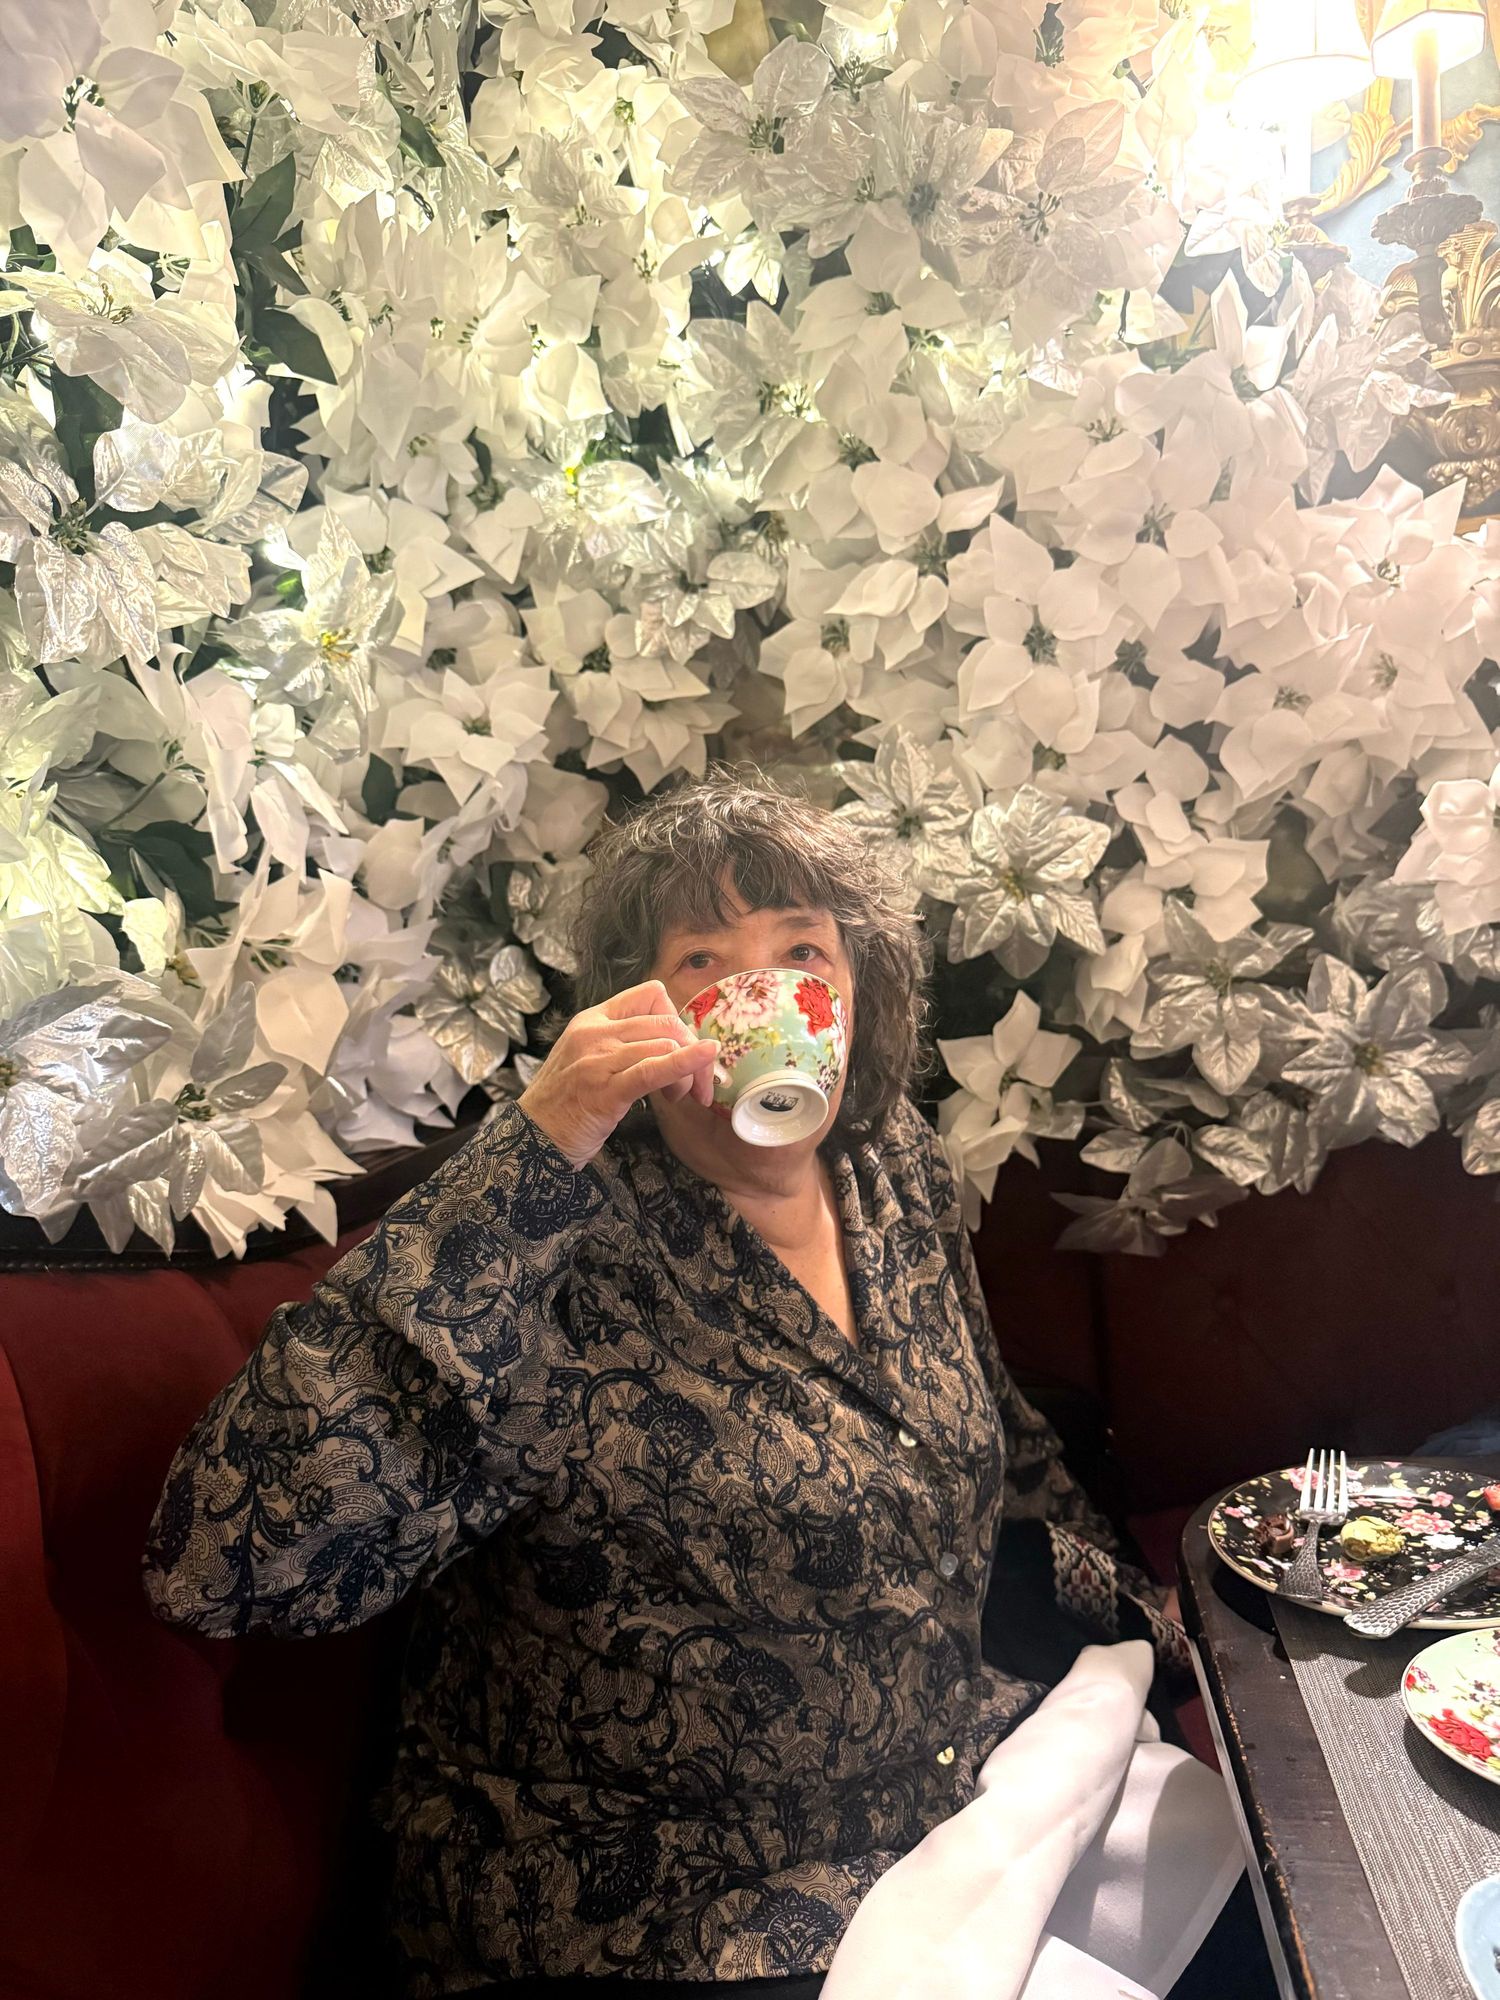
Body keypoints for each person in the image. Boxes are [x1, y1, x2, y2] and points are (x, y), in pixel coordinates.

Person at [142, 773, 1245, 2000]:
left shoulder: (892, 1172)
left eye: (802, 951)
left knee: (1264, 1911)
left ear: (854, 993)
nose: (762, 989)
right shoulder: (550, 1242)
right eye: (705, 960)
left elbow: (1001, 1443)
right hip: (655, 1905)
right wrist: (533, 1148)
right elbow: (230, 1564)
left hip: (934, 1807)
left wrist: (1161, 1619)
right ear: (642, 1013)